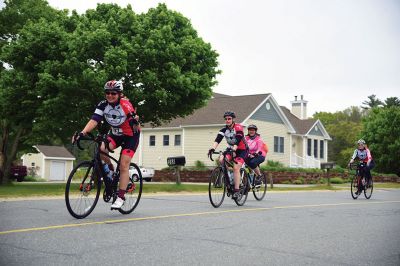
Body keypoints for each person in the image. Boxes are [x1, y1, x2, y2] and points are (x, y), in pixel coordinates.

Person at [72, 80, 140, 209]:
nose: (110, 95)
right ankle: (110, 171)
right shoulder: (103, 105)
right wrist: (82, 133)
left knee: (124, 164)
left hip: (131, 136)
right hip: (116, 134)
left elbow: (132, 116)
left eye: (113, 93)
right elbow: (94, 120)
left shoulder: (125, 104)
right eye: (107, 93)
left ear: (119, 94)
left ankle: (120, 197)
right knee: (102, 148)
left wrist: (134, 121)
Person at [208, 111, 249, 199]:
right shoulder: (224, 130)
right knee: (221, 159)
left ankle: (237, 190)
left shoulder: (238, 127)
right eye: (226, 119)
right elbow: (217, 140)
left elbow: (238, 138)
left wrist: (234, 149)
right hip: (231, 148)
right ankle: (230, 179)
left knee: (236, 167)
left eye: (229, 119)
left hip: (242, 150)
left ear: (233, 119)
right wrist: (212, 148)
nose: (227, 120)